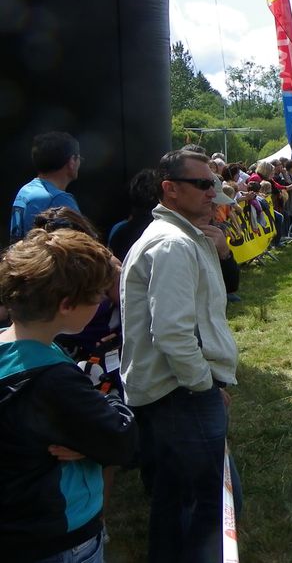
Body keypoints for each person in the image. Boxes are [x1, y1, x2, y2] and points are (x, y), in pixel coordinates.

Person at [120, 150, 241, 563]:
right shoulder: (172, 245)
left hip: (178, 391)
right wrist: (204, 385)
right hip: (180, 393)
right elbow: (173, 333)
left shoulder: (186, 238)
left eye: (214, 184)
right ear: (169, 190)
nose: (213, 194)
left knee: (178, 501)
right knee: (212, 508)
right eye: (204, 185)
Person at [0, 228, 137, 563]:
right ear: (66, 304)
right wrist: (105, 409)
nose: (103, 301)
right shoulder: (54, 381)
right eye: (97, 295)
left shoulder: (14, 347)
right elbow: (123, 441)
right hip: (59, 539)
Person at [10, 131, 82, 242]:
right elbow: (84, 248)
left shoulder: (25, 191)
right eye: (78, 158)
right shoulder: (58, 199)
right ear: (72, 161)